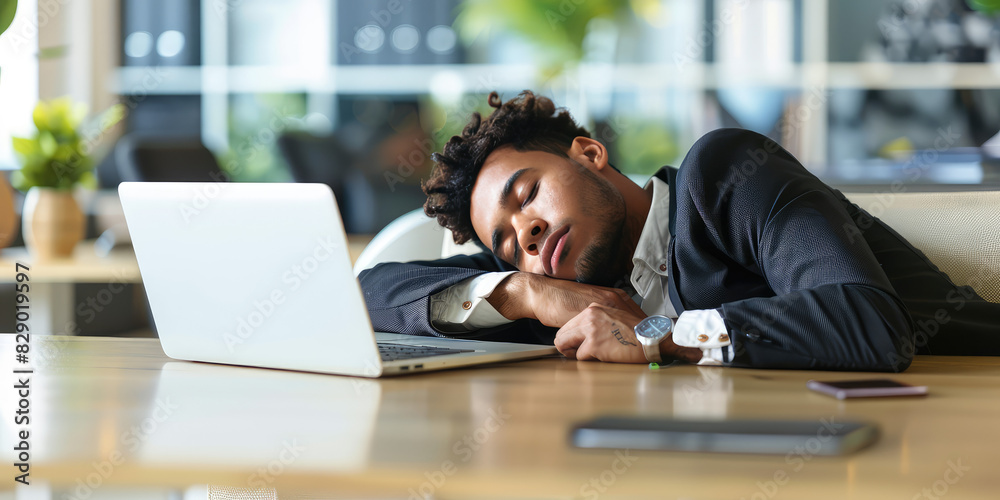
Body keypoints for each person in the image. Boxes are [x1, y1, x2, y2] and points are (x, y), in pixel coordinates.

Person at [358, 90, 1000, 372]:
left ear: (588, 154)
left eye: (527, 195)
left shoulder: (721, 175)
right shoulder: (566, 287)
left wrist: (655, 336)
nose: (526, 236)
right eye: (506, 244)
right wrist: (522, 294)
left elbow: (868, 322)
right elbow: (368, 291)